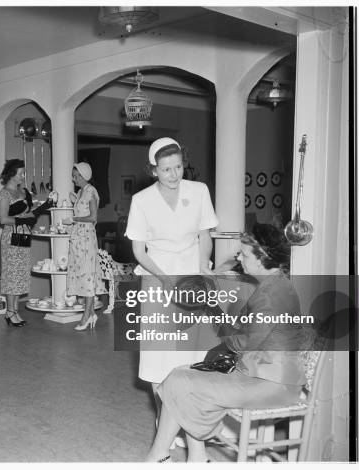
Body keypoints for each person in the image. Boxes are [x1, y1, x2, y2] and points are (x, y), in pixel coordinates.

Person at [146, 224, 307, 462]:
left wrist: (214, 312)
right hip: (262, 374)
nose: (238, 257)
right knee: (181, 377)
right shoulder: (275, 284)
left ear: (262, 259)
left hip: (271, 384)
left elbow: (241, 344)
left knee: (180, 380)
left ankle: (160, 456)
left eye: (244, 254)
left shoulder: (272, 294)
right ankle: (180, 456)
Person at [125, 138, 218, 445]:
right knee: (159, 359)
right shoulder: (142, 200)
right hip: (157, 277)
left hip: (191, 277)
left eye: (178, 166)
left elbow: (205, 235)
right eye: (166, 169)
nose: (174, 174)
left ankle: (186, 420)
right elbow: (139, 251)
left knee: (191, 356)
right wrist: (164, 279)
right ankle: (165, 419)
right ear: (154, 170)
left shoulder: (199, 191)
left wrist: (204, 262)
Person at [62, 162, 105, 331]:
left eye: (76, 176)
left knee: (88, 276)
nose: (74, 178)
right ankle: (91, 313)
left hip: (87, 239)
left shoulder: (91, 191)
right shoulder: (80, 192)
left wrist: (74, 219)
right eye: (73, 175)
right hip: (78, 238)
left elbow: (93, 217)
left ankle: (87, 315)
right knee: (82, 274)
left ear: (84, 176)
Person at [0, 159, 36, 327]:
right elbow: (3, 219)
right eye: (20, 173)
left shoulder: (23, 192)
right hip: (11, 236)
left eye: (23, 173)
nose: (22, 176)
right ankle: (10, 311)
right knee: (11, 274)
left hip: (24, 235)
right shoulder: (4, 194)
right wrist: (21, 220)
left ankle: (14, 311)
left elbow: (30, 213)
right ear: (11, 174)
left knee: (20, 273)